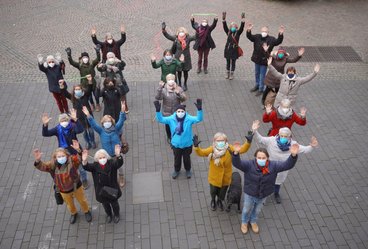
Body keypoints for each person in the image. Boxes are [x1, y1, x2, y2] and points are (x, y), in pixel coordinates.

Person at [232, 141, 300, 234]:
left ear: (267, 158)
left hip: (263, 194)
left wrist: (293, 156)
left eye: (263, 158)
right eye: (259, 157)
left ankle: (253, 221)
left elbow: (287, 165)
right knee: (246, 209)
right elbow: (237, 164)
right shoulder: (249, 165)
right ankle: (244, 222)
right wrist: (236, 154)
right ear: (255, 158)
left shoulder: (274, 166)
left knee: (257, 210)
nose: (261, 159)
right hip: (250, 193)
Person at [252, 120, 318, 204]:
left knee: (278, 182)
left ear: (289, 136)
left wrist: (311, 146)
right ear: (278, 135)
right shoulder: (271, 141)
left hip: (282, 169)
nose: (283, 137)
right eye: (281, 135)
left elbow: (304, 149)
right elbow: (260, 139)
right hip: (270, 167)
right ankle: (264, 195)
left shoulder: (293, 145)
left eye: (285, 136)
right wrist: (255, 131)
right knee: (266, 182)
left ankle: (276, 194)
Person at [33, 140, 92, 224]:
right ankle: (73, 213)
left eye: (62, 156)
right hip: (63, 190)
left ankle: (86, 211)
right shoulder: (52, 165)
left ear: (66, 155)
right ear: (55, 158)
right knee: (69, 203)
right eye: (59, 156)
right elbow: (43, 167)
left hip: (76, 186)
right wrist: (38, 161)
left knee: (82, 200)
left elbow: (79, 158)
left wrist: (79, 150)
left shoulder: (72, 161)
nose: (61, 158)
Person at [193, 131, 252, 211]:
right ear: (214, 141)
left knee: (222, 193)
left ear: (226, 141)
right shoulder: (212, 150)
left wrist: (248, 142)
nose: (220, 142)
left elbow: (241, 149)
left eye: (222, 140)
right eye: (218, 141)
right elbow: (201, 153)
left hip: (225, 178)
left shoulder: (229, 149)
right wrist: (196, 146)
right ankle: (213, 201)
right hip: (214, 178)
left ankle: (219, 201)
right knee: (213, 192)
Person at [154, 99, 203, 179]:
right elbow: (161, 120)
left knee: (187, 159)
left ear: (184, 112)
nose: (180, 113)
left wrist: (199, 110)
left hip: (187, 144)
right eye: (179, 111)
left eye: (182, 111)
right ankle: (177, 170)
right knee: (177, 159)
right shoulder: (171, 119)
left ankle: (188, 170)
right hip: (176, 145)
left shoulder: (189, 119)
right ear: (176, 112)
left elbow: (198, 119)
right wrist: (158, 111)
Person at [82, 101, 127, 188]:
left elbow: (121, 121)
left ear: (112, 122)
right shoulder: (101, 130)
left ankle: (121, 177)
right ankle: (111, 178)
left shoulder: (116, 128)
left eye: (109, 121)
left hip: (117, 153)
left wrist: (122, 111)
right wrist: (88, 115)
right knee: (109, 168)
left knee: (120, 166)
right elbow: (93, 124)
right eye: (105, 122)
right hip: (107, 156)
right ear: (102, 123)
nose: (107, 123)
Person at [41, 109, 89, 189]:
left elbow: (80, 130)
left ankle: (84, 180)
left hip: (75, 150)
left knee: (81, 168)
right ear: (59, 122)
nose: (64, 122)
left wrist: (76, 120)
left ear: (68, 120)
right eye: (62, 120)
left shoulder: (73, 126)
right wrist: (45, 125)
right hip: (64, 153)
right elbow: (46, 134)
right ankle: (73, 180)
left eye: (66, 120)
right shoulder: (57, 129)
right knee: (68, 168)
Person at [82, 145, 123, 223]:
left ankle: (116, 214)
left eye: (103, 157)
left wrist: (118, 155)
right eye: (100, 158)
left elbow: (119, 163)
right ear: (97, 159)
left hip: (112, 189)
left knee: (114, 204)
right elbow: (86, 167)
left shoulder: (111, 163)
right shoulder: (94, 166)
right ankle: (109, 215)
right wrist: (84, 161)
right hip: (101, 191)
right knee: (105, 205)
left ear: (107, 157)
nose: (102, 159)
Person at [246, 23, 284, 96]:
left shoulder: (271, 39)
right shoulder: (257, 37)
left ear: (268, 32)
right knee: (257, 73)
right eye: (263, 31)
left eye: (265, 31)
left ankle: (261, 88)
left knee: (262, 75)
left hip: (264, 61)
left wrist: (281, 34)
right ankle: (257, 85)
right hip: (257, 59)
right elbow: (250, 37)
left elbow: (278, 41)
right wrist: (249, 30)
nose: (264, 32)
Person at [59, 80, 96, 149]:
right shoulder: (72, 97)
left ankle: (92, 141)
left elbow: (90, 88)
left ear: (82, 89)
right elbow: (64, 93)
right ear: (74, 90)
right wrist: (61, 86)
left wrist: (90, 81)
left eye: (79, 89)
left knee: (91, 131)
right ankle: (87, 142)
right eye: (76, 89)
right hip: (79, 118)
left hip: (88, 116)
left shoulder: (85, 95)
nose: (77, 90)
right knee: (84, 132)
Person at [65, 46, 102, 112]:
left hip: (93, 82)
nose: (85, 59)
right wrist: (69, 55)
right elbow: (72, 62)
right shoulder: (80, 65)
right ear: (82, 59)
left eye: (86, 57)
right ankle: (92, 104)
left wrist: (98, 52)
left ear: (88, 58)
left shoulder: (92, 63)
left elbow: (98, 59)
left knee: (96, 94)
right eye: (84, 58)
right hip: (84, 83)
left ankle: (98, 104)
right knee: (89, 95)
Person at [162, 23, 196, 91]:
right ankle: (180, 83)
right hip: (178, 57)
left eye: (182, 31)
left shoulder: (188, 38)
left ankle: (185, 84)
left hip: (186, 57)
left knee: (186, 71)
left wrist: (197, 29)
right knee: (179, 72)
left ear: (185, 32)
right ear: (178, 32)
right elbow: (168, 36)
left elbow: (195, 37)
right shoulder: (176, 38)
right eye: (180, 31)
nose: (181, 32)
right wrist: (164, 30)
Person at [155, 74, 187, 142]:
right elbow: (158, 98)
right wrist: (159, 88)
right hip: (167, 112)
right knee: (168, 126)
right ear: (167, 81)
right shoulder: (164, 90)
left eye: (172, 79)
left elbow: (184, 99)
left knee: (177, 124)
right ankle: (169, 137)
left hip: (176, 112)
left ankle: (177, 135)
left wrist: (179, 94)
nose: (171, 81)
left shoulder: (178, 88)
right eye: (169, 80)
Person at [222, 12, 245, 80]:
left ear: (236, 27)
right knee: (228, 61)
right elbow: (224, 26)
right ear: (230, 27)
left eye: (234, 26)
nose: (233, 27)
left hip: (234, 49)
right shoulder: (228, 32)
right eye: (232, 26)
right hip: (228, 49)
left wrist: (243, 20)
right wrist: (224, 19)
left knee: (233, 62)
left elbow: (242, 27)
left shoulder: (238, 32)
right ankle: (227, 72)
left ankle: (232, 73)